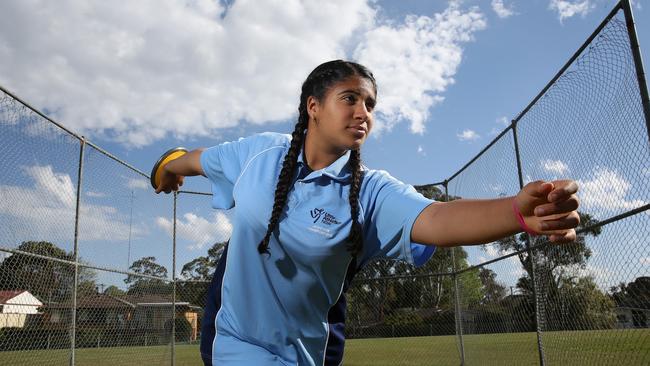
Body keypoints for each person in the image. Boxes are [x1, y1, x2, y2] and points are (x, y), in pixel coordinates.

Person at [156, 60, 580, 365]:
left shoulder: (371, 192)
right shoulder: (259, 153)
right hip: (236, 338)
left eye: (370, 104)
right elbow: (199, 160)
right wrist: (167, 168)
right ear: (313, 106)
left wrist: (516, 213)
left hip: (310, 350)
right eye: (349, 98)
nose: (363, 113)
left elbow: (437, 218)